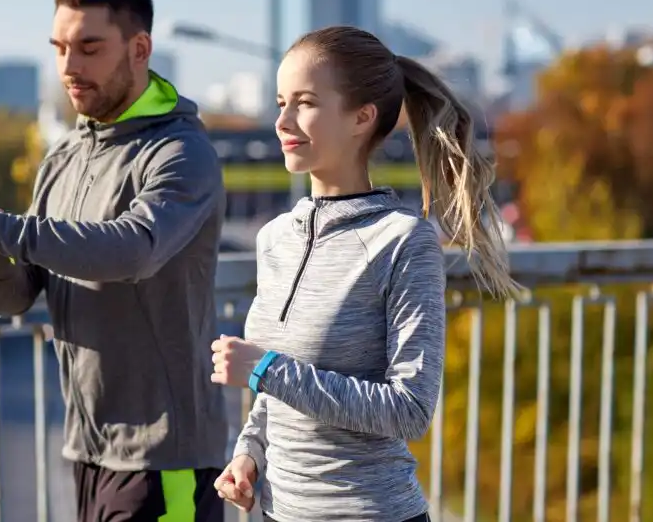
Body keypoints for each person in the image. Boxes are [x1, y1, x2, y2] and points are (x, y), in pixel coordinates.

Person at [0, 0, 229, 522]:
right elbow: (16, 296)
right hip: (88, 448)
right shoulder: (62, 160)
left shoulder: (180, 154)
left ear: (139, 48)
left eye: (88, 48)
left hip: (165, 455)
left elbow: (131, 251)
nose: (68, 67)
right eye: (59, 48)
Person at [208, 26, 519, 522]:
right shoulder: (274, 240)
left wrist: (266, 368)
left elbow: (409, 409)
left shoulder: (403, 241)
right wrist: (250, 455)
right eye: (280, 102)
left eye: (304, 103)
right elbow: (274, 393)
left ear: (362, 117)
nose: (283, 121)